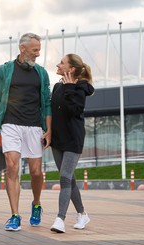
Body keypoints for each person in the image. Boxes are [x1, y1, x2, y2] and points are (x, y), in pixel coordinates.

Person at [0, 33, 52, 231]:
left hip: (33, 125)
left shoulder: (41, 73)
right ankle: (14, 215)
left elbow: (47, 103)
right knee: (12, 167)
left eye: (39, 50)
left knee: (35, 172)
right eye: (35, 50)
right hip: (10, 123)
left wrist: (48, 130)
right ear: (22, 49)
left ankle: (36, 204)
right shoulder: (5, 70)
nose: (38, 54)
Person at [49, 54, 95, 233]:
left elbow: (74, 110)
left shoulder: (81, 88)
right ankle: (82, 214)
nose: (58, 64)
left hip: (73, 140)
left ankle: (60, 219)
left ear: (72, 69)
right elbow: (54, 112)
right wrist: (48, 132)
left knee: (65, 178)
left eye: (62, 62)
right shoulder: (58, 86)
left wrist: (70, 88)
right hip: (57, 140)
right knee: (70, 179)